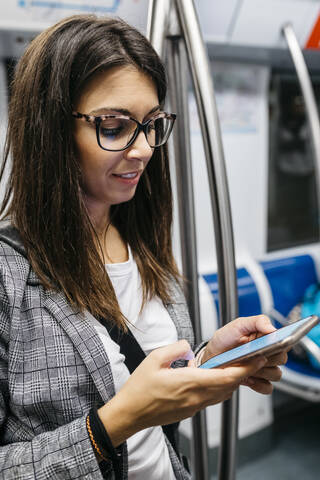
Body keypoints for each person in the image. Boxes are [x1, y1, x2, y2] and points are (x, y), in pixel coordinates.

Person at [0, 14, 287, 480]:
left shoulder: (142, 239)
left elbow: (148, 382)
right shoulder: (8, 275)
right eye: (113, 127)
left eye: (151, 124)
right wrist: (112, 424)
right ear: (49, 130)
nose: (143, 150)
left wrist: (208, 359)